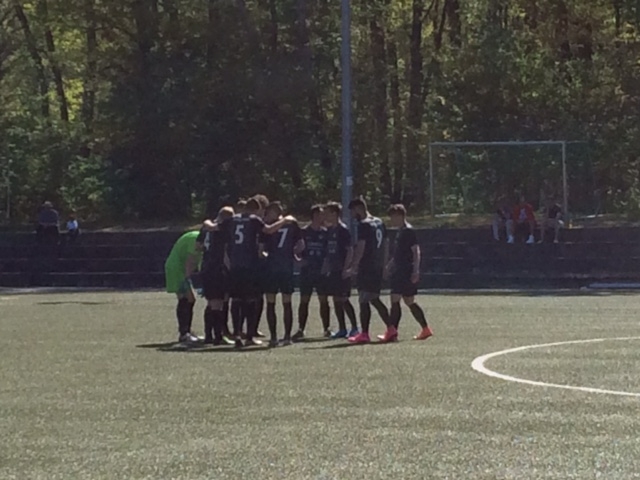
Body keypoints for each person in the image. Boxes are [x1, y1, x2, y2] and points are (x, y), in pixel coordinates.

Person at [206, 197, 295, 348]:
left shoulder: (232, 220)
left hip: (235, 266)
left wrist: (206, 222)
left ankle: (237, 335)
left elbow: (213, 227)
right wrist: (285, 221)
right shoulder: (254, 220)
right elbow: (268, 230)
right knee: (251, 301)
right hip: (249, 265)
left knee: (236, 301)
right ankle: (249, 337)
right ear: (256, 209)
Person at [379, 204, 433, 342]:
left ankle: (392, 332)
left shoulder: (408, 231)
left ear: (400, 216)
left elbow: (416, 251)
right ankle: (425, 329)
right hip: (399, 269)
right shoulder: (400, 231)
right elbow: (398, 253)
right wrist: (389, 265)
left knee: (396, 299)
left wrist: (415, 270)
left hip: (405, 270)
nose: (391, 220)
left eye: (393, 217)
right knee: (408, 301)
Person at [347, 197, 391, 344]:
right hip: (377, 266)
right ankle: (391, 328)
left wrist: (354, 266)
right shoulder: (379, 222)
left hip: (367, 266)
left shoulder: (364, 224)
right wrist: (384, 264)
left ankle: (364, 333)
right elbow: (386, 243)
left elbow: (361, 246)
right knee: (374, 298)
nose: (352, 215)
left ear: (358, 208)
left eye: (353, 211)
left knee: (363, 299)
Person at [261, 202, 304, 347]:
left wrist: (268, 256)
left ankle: (274, 337)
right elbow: (301, 245)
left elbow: (261, 249)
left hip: (271, 268)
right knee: (287, 303)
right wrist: (292, 254)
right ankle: (286, 337)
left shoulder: (267, 226)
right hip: (286, 267)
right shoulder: (292, 224)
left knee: (271, 303)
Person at [197, 206, 235, 345]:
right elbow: (224, 252)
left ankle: (209, 335)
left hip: (206, 267)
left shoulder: (206, 227)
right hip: (217, 268)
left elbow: (198, 246)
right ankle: (218, 336)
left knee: (211, 302)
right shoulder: (222, 228)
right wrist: (230, 269)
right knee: (218, 303)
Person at [293, 204, 331, 341]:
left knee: (323, 299)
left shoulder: (325, 232)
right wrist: (298, 260)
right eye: (321, 214)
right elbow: (293, 248)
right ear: (315, 215)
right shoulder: (304, 231)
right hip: (307, 271)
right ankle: (300, 329)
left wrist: (326, 266)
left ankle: (326, 328)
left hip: (320, 271)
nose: (323, 217)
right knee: (304, 300)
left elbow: (328, 252)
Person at [322, 201, 358, 338]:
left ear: (335, 213)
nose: (325, 215)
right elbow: (328, 251)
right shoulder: (330, 230)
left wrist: (346, 268)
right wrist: (326, 266)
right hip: (333, 270)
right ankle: (342, 328)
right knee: (336, 299)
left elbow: (350, 250)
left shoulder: (343, 230)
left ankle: (355, 327)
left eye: (328, 212)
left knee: (344, 299)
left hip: (342, 269)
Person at [164, 230, 204, 344]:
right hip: (176, 269)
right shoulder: (195, 238)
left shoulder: (202, 239)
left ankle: (186, 332)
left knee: (189, 299)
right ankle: (184, 333)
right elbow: (190, 262)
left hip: (181, 269)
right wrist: (186, 280)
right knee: (187, 299)